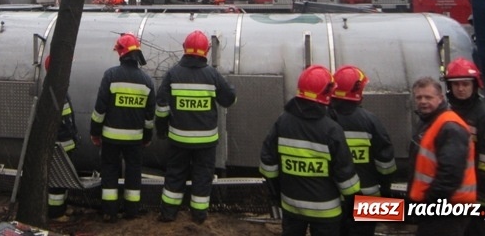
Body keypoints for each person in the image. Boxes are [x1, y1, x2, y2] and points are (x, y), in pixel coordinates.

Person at [260, 65, 360, 236]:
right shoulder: (332, 129)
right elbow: (346, 178)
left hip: (292, 207)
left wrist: (276, 194)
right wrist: (352, 207)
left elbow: (268, 164)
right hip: (327, 211)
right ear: (326, 94)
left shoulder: (282, 122)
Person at [156, 30, 237, 224]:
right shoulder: (212, 75)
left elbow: (161, 106)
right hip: (206, 141)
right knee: (202, 176)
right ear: (206, 51)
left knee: (175, 175)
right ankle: (199, 215)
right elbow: (228, 100)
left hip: (178, 139)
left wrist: (162, 129)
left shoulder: (173, 74)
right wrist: (232, 89)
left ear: (184, 48)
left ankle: (168, 213)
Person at [90, 33, 156, 223]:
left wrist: (95, 132)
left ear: (121, 52)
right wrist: (147, 136)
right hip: (135, 140)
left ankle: (109, 212)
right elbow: (149, 116)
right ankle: (132, 211)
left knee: (110, 172)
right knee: (133, 173)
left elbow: (100, 109)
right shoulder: (147, 81)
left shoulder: (110, 76)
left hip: (110, 137)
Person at [329, 65, 396, 236]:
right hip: (368, 197)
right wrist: (386, 188)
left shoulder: (324, 120)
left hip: (333, 197)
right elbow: (385, 161)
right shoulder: (371, 121)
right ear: (358, 92)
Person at [408, 76, 476, 236]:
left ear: (440, 98)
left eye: (428, 97)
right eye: (419, 97)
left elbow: (450, 174)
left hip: (447, 208)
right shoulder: (431, 122)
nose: (423, 101)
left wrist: (431, 202)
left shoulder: (449, 126)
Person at [445, 58, 485, 236]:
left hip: (479, 196)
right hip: (455, 193)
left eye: (465, 84)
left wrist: (478, 190)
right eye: (456, 85)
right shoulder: (450, 112)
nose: (461, 89)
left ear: (475, 85)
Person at [45, 55, 79, 221]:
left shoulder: (58, 89)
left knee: (63, 177)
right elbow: (60, 125)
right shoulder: (55, 92)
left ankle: (62, 208)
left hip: (65, 144)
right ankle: (56, 213)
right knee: (58, 180)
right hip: (61, 146)